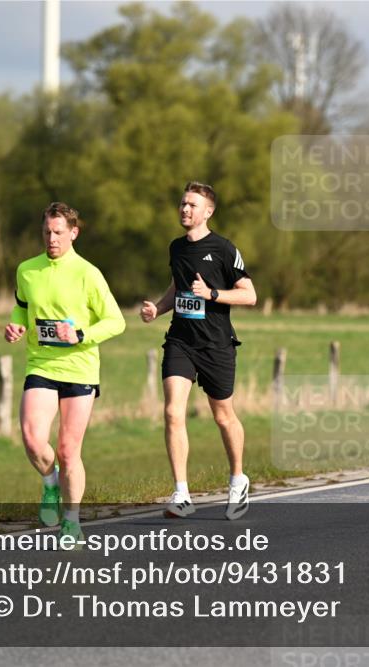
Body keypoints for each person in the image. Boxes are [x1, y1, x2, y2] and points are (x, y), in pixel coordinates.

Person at [4, 202, 126, 543]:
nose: (51, 238)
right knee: (32, 440)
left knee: (69, 451)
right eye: (47, 231)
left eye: (58, 232)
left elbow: (116, 321)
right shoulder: (27, 270)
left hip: (79, 369)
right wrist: (16, 326)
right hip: (41, 364)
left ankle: (71, 522)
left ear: (74, 233)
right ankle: (50, 483)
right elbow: (21, 307)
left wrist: (80, 335)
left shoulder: (88, 273)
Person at [140, 182, 257, 520]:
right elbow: (176, 287)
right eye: (182, 203)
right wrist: (158, 309)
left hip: (216, 344)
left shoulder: (224, 249)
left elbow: (250, 295)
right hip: (181, 341)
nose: (185, 209)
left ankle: (238, 480)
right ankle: (181, 493)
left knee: (223, 416)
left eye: (192, 205)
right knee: (172, 412)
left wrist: (212, 294)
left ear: (208, 212)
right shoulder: (176, 248)